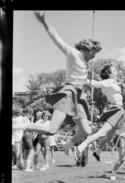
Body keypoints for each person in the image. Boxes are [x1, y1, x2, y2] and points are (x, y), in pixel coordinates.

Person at [13, 11, 102, 156]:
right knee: (52, 129)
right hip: (69, 93)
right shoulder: (73, 53)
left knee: (86, 131)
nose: (94, 56)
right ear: (86, 48)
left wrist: (96, 83)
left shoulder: (86, 63)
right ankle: (21, 125)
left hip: (79, 96)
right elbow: (56, 39)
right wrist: (44, 22)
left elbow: (82, 79)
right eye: (94, 53)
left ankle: (69, 144)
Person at [76, 65, 125, 156]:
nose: (117, 72)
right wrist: (83, 79)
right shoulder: (109, 81)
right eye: (114, 70)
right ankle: (82, 146)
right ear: (109, 73)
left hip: (120, 110)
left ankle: (97, 152)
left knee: (108, 137)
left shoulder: (112, 83)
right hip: (117, 109)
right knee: (102, 132)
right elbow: (96, 84)